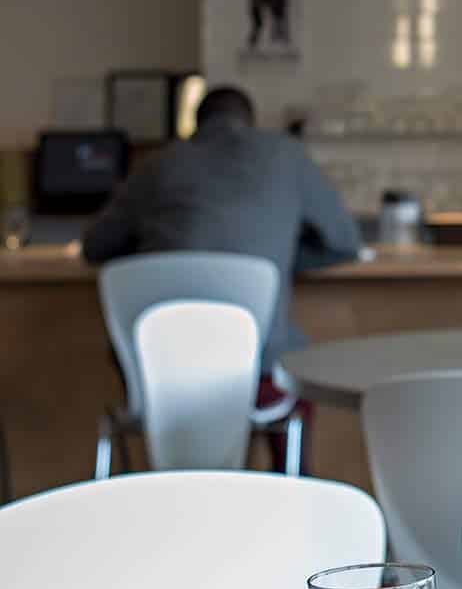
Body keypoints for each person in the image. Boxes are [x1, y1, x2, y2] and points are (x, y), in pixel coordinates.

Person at [83, 86, 362, 472]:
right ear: (249, 122)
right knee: (293, 362)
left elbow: (94, 246)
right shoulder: (286, 155)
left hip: (158, 376)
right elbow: (345, 242)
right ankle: (292, 490)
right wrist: (275, 263)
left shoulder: (156, 164)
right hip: (259, 377)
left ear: (196, 125)